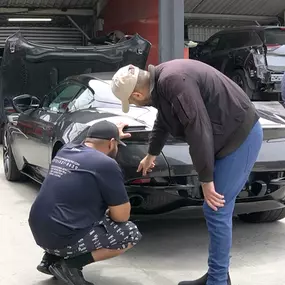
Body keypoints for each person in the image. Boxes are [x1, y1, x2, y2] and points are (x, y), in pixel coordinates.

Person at [111, 59, 264, 285]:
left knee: (216, 208)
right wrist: (151, 153)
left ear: (136, 95)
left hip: (240, 137)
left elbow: (198, 128)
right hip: (225, 137)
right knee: (214, 209)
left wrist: (206, 180)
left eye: (131, 101)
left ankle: (218, 281)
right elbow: (164, 120)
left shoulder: (173, 81)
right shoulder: (161, 82)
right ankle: (217, 275)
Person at [28, 120, 143, 285]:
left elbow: (86, 139)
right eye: (117, 144)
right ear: (112, 143)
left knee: (72, 210)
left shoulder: (65, 150)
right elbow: (121, 217)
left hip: (38, 231)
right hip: (62, 238)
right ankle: (68, 265)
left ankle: (50, 259)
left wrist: (111, 132)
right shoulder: (107, 164)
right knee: (130, 232)